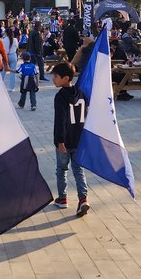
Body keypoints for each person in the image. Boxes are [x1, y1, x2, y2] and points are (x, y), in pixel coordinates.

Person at [51, 61, 90, 218]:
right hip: (79, 139)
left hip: (65, 141)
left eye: (56, 77)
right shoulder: (81, 93)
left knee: (62, 169)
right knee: (78, 170)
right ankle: (83, 198)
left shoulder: (60, 96)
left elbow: (60, 120)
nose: (53, 79)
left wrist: (60, 141)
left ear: (66, 78)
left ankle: (63, 197)